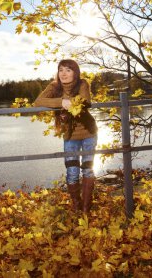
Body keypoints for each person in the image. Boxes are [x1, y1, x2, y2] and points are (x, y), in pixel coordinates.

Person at [33, 59, 98, 213]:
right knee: (72, 173)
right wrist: (61, 102)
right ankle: (76, 206)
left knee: (88, 170)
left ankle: (86, 208)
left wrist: (71, 102)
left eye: (68, 70)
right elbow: (38, 102)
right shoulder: (54, 86)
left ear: (75, 72)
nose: (63, 73)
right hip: (70, 136)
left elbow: (85, 100)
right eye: (61, 69)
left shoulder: (82, 83)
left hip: (89, 132)